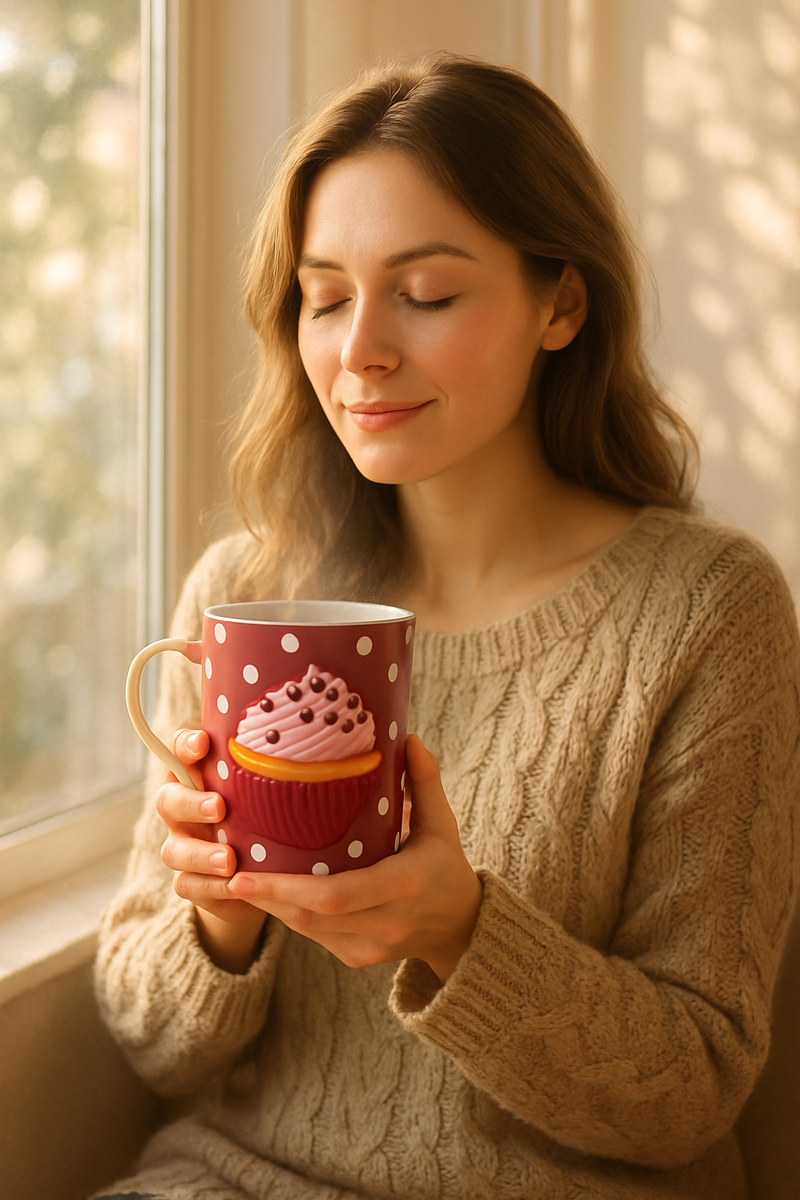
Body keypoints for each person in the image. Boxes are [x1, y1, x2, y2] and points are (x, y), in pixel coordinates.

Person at [92, 54, 800, 1200]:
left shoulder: (705, 609)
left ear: (559, 304)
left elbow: (690, 1091)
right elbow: (154, 1041)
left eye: (424, 294)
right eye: (324, 297)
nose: (360, 349)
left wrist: (460, 931)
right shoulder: (243, 591)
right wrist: (217, 914)